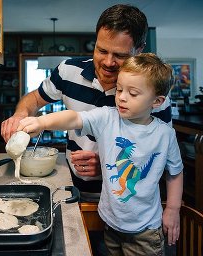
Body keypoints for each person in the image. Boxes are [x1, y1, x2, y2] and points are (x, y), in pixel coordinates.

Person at [15, 53, 182, 254]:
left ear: (157, 101)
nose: (121, 97)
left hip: (145, 229)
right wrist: (42, 122)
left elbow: (175, 172)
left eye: (133, 93)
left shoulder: (166, 134)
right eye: (119, 89)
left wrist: (173, 209)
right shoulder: (107, 117)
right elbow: (74, 118)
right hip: (110, 223)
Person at [0, 4, 172, 197]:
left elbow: (160, 155)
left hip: (124, 197)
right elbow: (34, 99)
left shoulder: (150, 93)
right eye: (102, 50)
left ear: (139, 50)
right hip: (71, 188)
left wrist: (109, 164)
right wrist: (20, 115)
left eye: (120, 55)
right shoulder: (67, 72)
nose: (108, 62)